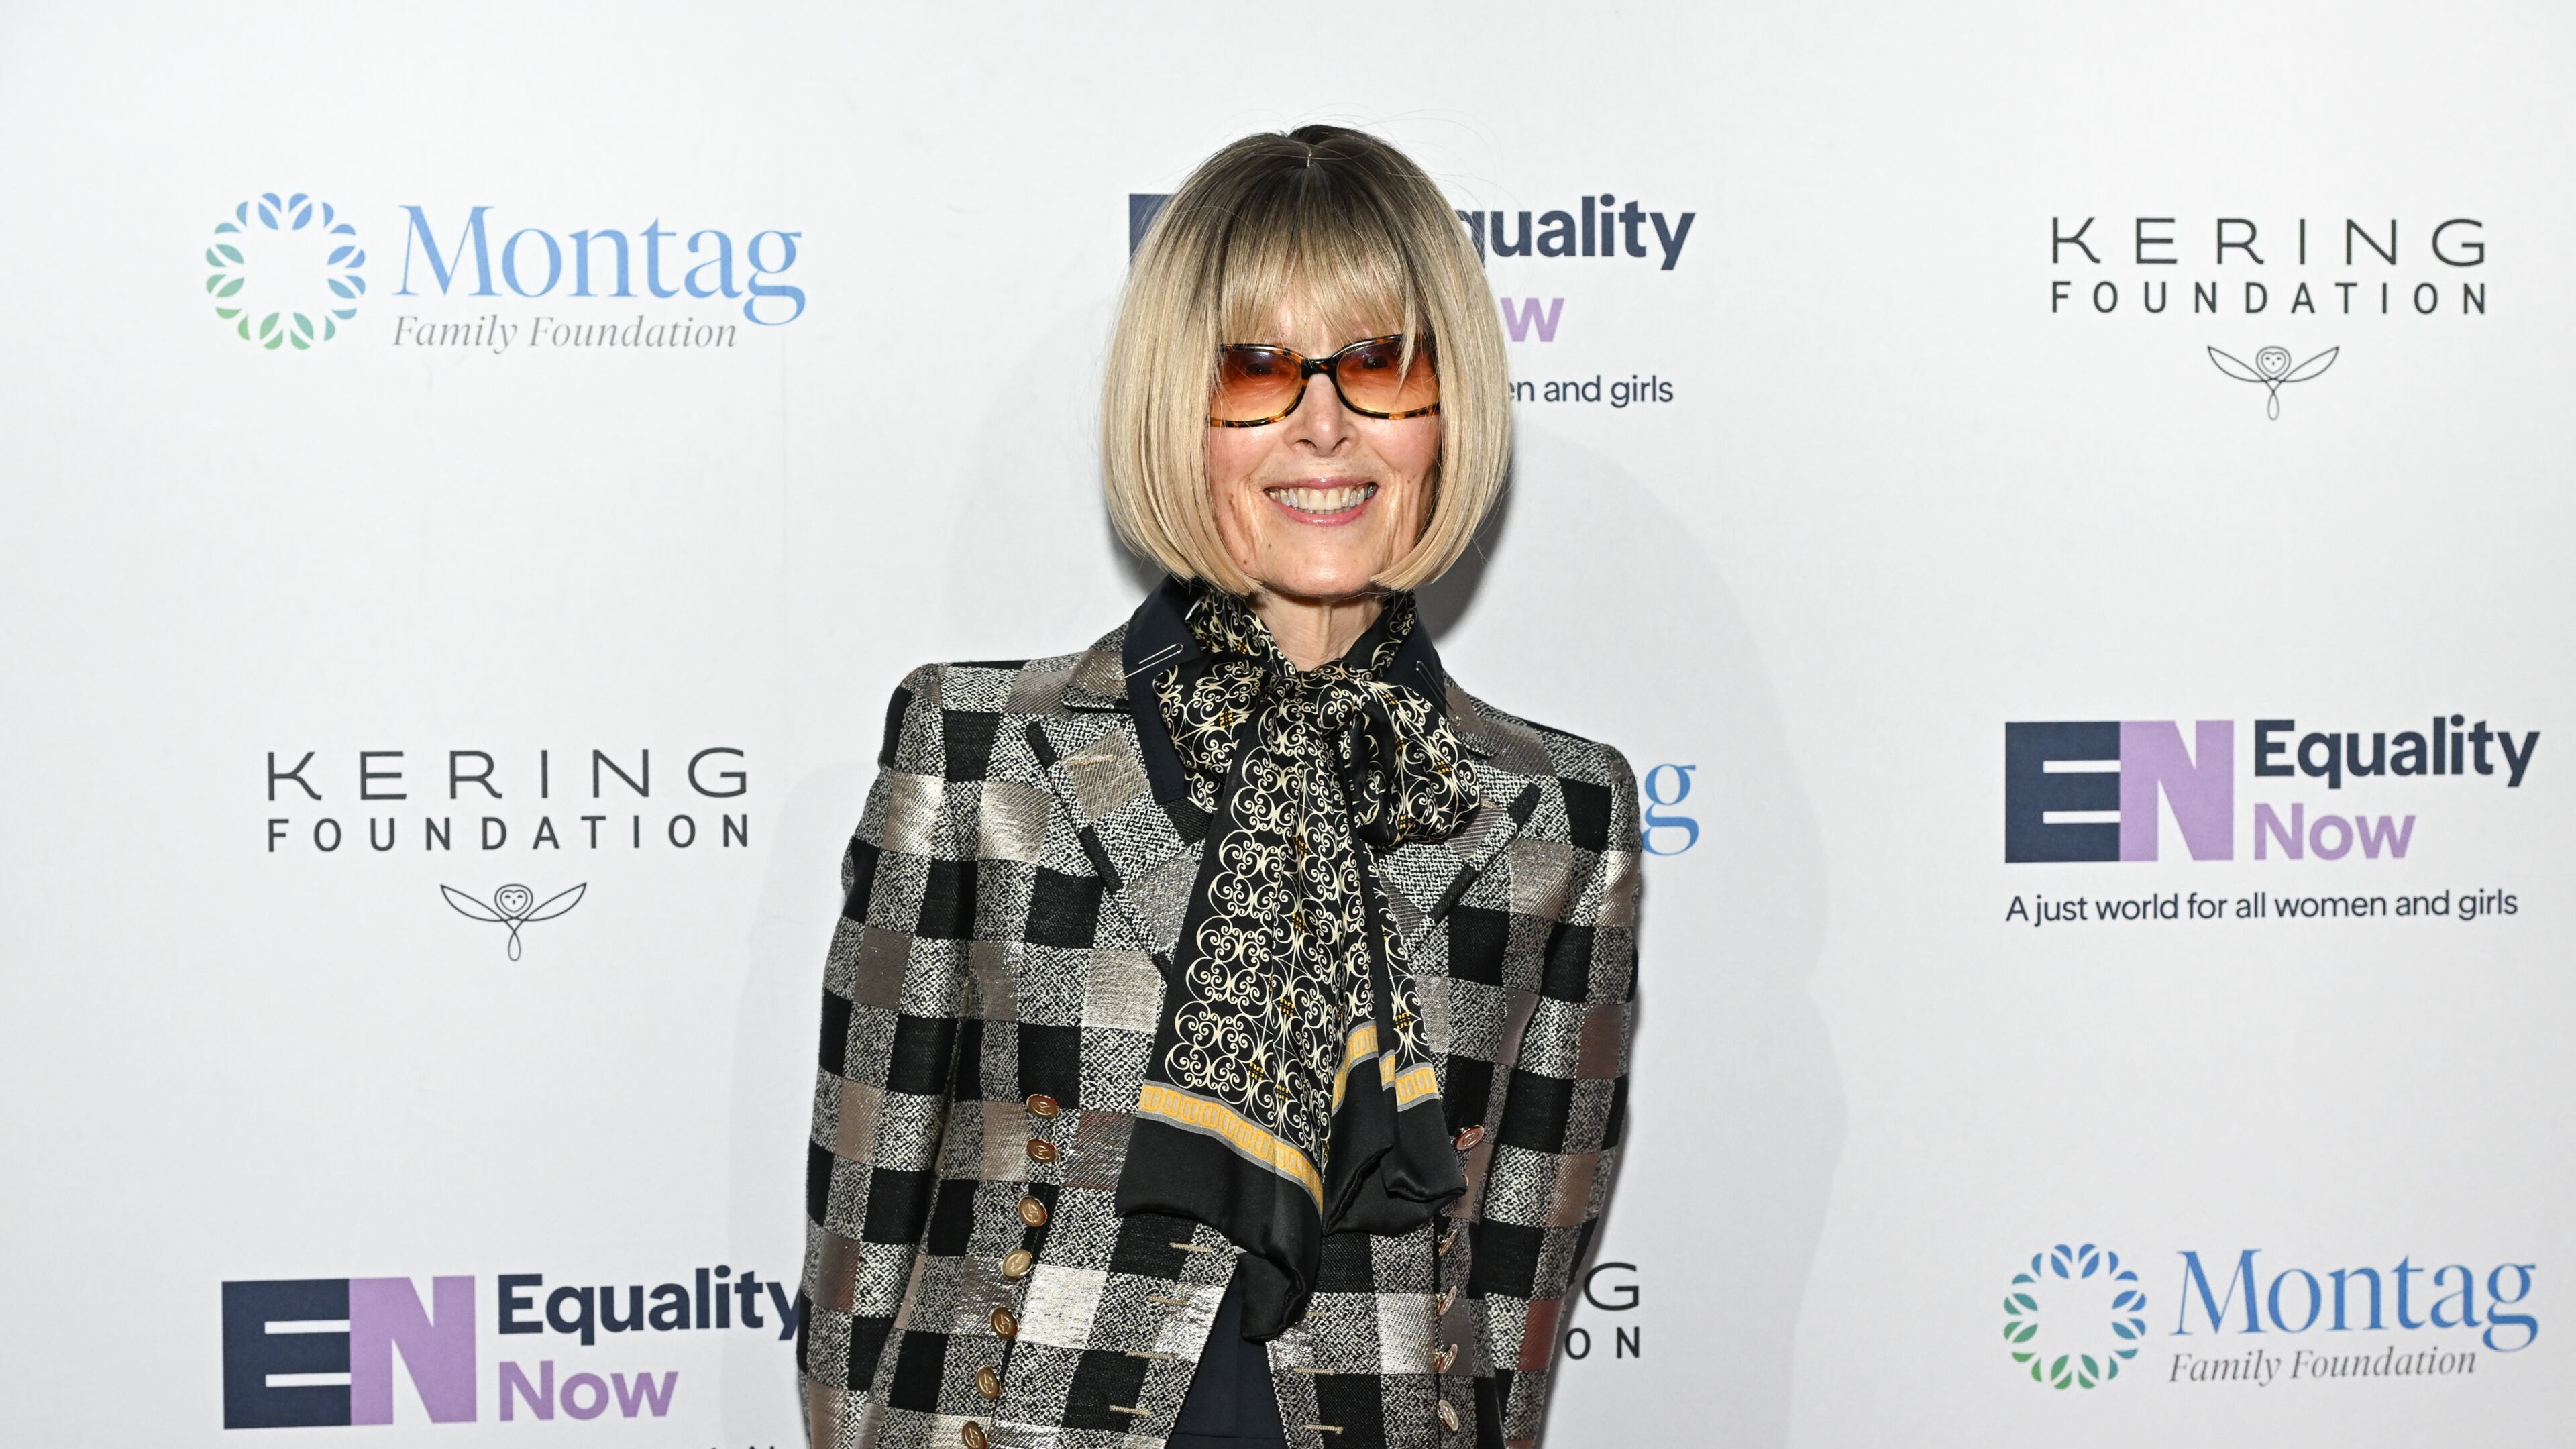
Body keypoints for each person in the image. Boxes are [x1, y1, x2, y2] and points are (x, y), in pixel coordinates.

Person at [796, 125, 1640, 1449]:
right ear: (1174, 408)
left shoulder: (1563, 817)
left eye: (1379, 364)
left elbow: (1519, 1290)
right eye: (1254, 370)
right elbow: (866, 1230)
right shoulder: (973, 753)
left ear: (1448, 408)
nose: (1321, 423)